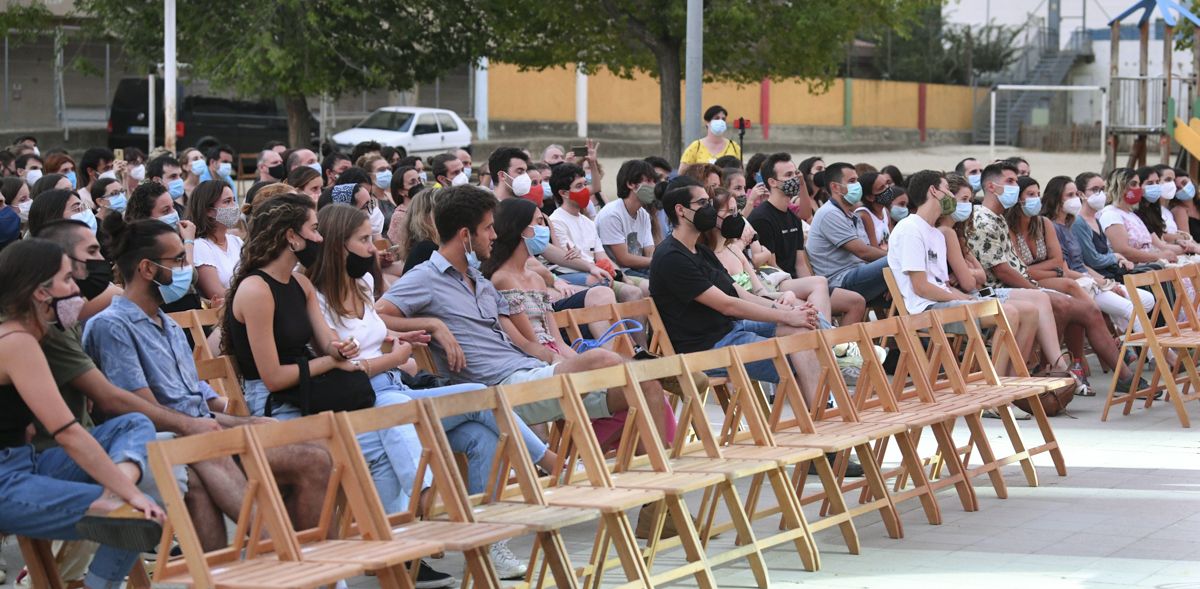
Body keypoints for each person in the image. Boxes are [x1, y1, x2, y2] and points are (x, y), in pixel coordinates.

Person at [303, 203, 537, 580]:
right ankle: (432, 505)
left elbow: (369, 337)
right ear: (337, 245)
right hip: (363, 399)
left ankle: (487, 541)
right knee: (441, 402)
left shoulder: (361, 284)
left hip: (393, 388)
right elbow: (344, 362)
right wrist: (394, 357)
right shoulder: (315, 297)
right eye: (364, 240)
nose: (374, 249)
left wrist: (400, 337)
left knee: (480, 429)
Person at [80, 218, 333, 550]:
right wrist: (209, 426)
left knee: (311, 451)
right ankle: (285, 552)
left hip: (200, 431)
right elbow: (140, 409)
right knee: (301, 460)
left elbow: (198, 401)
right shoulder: (111, 326)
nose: (189, 270)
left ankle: (304, 565)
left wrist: (243, 420)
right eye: (179, 261)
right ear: (147, 268)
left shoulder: (166, 324)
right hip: (163, 441)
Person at [375, 185, 670, 438]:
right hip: (498, 387)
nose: (494, 235)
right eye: (488, 228)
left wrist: (555, 355)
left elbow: (524, 340)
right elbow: (376, 315)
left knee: (648, 388)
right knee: (601, 358)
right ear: (466, 235)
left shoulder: (481, 281)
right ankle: (570, 465)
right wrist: (433, 325)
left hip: (529, 373)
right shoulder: (427, 277)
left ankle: (658, 494)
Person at [0, 238, 166, 589]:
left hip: (25, 463)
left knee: (135, 421)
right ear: (41, 291)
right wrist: (130, 494)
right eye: (67, 279)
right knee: (138, 516)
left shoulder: (21, 337)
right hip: (7, 481)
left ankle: (113, 495)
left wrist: (118, 489)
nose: (76, 288)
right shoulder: (16, 341)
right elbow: (68, 432)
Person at [649, 177, 824, 405]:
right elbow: (727, 305)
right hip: (705, 347)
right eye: (702, 204)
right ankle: (820, 417)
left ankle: (820, 416)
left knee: (804, 327)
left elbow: (739, 293)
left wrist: (782, 308)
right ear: (681, 211)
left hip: (729, 329)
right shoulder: (671, 257)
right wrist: (786, 315)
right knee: (801, 353)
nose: (709, 210)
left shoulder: (700, 251)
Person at [968, 163, 1133, 387]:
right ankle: (1054, 367)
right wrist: (1035, 288)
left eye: (1017, 182)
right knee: (1066, 305)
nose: (1015, 187)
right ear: (990, 186)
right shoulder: (984, 219)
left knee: (1083, 309)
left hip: (1020, 286)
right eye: (1010, 182)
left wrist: (1036, 284)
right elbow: (1002, 270)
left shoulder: (1001, 218)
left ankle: (1076, 369)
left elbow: (1042, 264)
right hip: (1000, 290)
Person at [938, 174, 1057, 373]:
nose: (969, 206)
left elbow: (980, 276)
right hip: (962, 298)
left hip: (975, 292)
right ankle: (1000, 381)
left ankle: (1016, 378)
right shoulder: (946, 233)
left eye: (969, 200)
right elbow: (970, 283)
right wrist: (970, 273)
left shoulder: (958, 233)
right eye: (964, 200)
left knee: (1034, 305)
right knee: (1020, 309)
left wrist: (970, 273)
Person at [1041, 175, 1155, 337]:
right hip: (1078, 282)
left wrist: (1106, 282)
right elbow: (1068, 268)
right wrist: (1102, 281)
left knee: (1147, 300)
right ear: (1056, 198)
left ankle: (1123, 339)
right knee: (1130, 308)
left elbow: (1081, 263)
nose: (1076, 199)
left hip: (1089, 277)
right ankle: (1156, 356)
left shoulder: (1069, 224)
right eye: (1070, 195)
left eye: (1076, 195)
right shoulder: (1053, 227)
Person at [806, 162, 891, 305]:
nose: (857, 185)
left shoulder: (851, 215)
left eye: (857, 180)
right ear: (835, 187)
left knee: (905, 272)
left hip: (857, 273)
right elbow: (863, 252)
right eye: (852, 181)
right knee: (900, 260)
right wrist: (896, 258)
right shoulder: (829, 214)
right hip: (840, 281)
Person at [1099, 168, 1179, 265]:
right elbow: (1123, 250)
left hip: (1149, 267)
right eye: (1133, 184)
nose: (1138, 188)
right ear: (1119, 186)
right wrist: (1158, 256)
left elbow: (1151, 245)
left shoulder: (1133, 214)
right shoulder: (1111, 214)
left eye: (1138, 184)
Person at [1072, 171, 1142, 280]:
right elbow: (1093, 260)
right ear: (1081, 194)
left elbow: (1105, 250)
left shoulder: (1096, 218)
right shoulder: (1079, 221)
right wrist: (1116, 256)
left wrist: (1120, 259)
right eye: (1095, 189)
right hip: (1097, 276)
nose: (1100, 194)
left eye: (1102, 189)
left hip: (1110, 271)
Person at [595, 160, 657, 278]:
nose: (654, 186)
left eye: (654, 181)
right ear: (631, 184)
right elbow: (623, 259)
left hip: (639, 268)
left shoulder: (643, 214)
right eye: (648, 181)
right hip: (619, 272)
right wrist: (657, 262)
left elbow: (649, 251)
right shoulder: (612, 214)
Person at [186, 180, 243, 304]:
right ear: (208, 211)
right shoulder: (201, 246)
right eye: (227, 202)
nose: (234, 206)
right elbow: (216, 293)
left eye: (234, 200)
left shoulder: (237, 242)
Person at [679, 105, 741, 173]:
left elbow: (740, 172)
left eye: (723, 119)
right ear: (707, 122)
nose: (720, 121)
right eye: (716, 118)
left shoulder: (734, 147)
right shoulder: (696, 147)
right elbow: (682, 172)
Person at [854, 172, 895, 248]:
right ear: (870, 197)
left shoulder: (885, 211)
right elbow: (874, 248)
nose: (887, 188)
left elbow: (891, 241)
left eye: (887, 184)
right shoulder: (864, 215)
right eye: (881, 188)